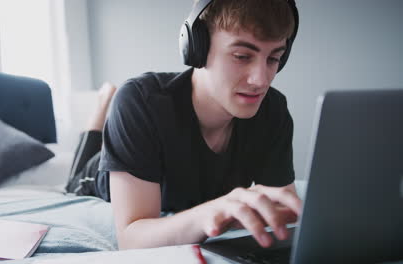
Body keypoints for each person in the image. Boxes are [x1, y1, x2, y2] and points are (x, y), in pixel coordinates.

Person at [66, 0, 303, 250]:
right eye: (242, 56)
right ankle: (103, 102)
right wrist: (207, 214)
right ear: (196, 48)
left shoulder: (273, 110)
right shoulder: (140, 101)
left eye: (274, 59)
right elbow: (131, 239)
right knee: (76, 175)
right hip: (93, 178)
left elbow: (283, 211)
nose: (261, 80)